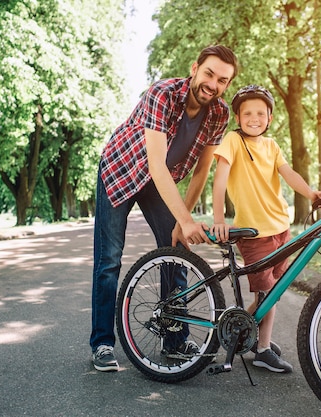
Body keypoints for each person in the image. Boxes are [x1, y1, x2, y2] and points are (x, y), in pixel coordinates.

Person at [91, 45, 239, 372]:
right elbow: (155, 163)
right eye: (209, 74)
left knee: (176, 250)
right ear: (194, 68)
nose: (213, 84)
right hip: (122, 169)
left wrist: (181, 222)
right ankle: (101, 342)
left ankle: (173, 341)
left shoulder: (219, 114)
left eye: (222, 80)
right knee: (109, 259)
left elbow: (201, 170)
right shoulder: (163, 93)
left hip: (161, 181)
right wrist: (186, 219)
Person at [211, 85, 321, 373]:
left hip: (279, 229)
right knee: (267, 294)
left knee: (271, 294)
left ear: (270, 117)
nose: (254, 118)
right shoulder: (233, 141)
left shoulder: (272, 146)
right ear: (238, 116)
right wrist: (219, 218)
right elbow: (220, 179)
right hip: (254, 234)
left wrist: (311, 194)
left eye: (261, 113)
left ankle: (241, 333)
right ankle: (262, 349)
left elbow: (289, 175)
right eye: (247, 113)